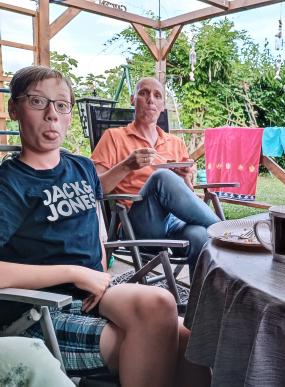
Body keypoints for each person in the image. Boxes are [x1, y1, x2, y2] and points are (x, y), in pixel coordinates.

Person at [0, 66, 210, 387]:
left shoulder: (80, 166)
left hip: (95, 292)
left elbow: (97, 201)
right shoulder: (10, 183)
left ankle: (217, 236)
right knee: (166, 345)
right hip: (40, 307)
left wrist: (97, 270)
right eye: (37, 102)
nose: (52, 115)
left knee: (182, 330)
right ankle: (225, 235)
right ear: (13, 108)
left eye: (61, 104)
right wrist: (75, 272)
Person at [91, 77, 219, 279]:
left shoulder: (175, 142)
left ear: (162, 105)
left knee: (201, 236)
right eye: (144, 93)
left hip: (174, 222)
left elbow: (187, 194)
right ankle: (225, 230)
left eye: (157, 95)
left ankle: (198, 306)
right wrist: (126, 165)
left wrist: (186, 178)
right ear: (133, 99)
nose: (151, 99)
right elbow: (95, 189)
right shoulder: (113, 137)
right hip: (138, 224)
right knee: (161, 176)